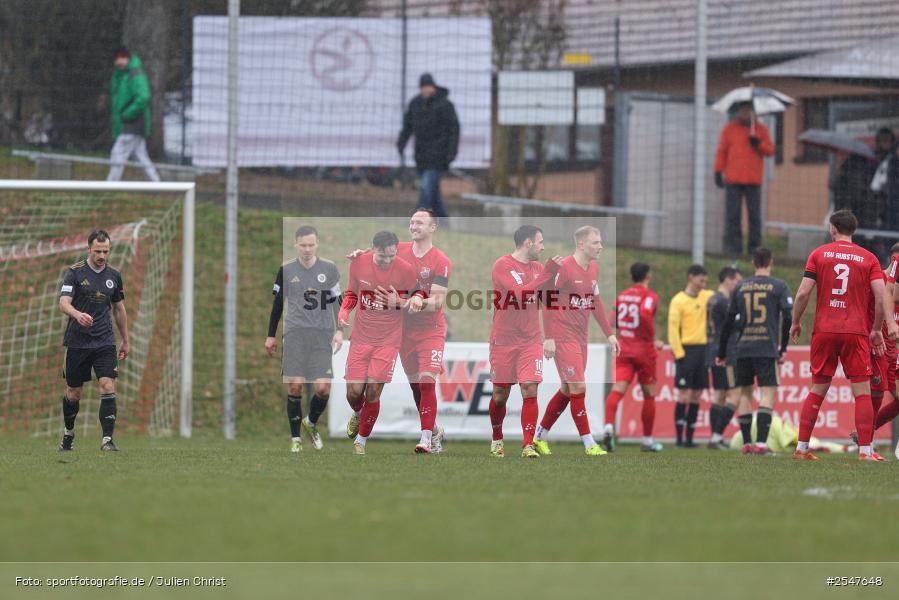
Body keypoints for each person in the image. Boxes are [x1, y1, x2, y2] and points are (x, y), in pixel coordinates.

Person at [790, 210, 897, 462]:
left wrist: (796, 321)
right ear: (854, 231)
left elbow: (804, 293)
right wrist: (876, 329)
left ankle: (802, 447)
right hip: (855, 332)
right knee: (862, 392)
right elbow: (882, 296)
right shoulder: (868, 258)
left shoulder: (818, 254)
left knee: (817, 389)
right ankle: (865, 451)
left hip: (824, 330)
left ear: (833, 229)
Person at [346, 209, 451, 454]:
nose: (413, 226)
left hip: (430, 330)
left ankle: (425, 439)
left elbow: (436, 301)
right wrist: (359, 254)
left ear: (433, 227)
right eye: (412, 222)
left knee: (426, 382)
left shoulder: (441, 261)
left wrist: (407, 303)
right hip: (401, 331)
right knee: (416, 387)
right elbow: (374, 256)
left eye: (419, 222)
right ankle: (435, 430)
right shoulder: (398, 249)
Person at [533, 226, 620, 457]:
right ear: (581, 244)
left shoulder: (593, 268)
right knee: (579, 387)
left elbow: (597, 302)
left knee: (567, 388)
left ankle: (539, 436)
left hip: (581, 337)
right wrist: (549, 337)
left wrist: (609, 333)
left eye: (600, 242)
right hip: (563, 336)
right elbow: (547, 298)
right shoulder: (565, 269)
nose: (600, 246)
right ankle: (590, 443)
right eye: (595, 242)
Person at [338, 231, 426, 455]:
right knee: (354, 393)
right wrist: (344, 312)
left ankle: (361, 441)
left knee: (374, 390)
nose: (387, 261)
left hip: (388, 340)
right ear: (372, 249)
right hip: (361, 338)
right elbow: (351, 294)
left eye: (391, 256)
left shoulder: (405, 269)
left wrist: (413, 299)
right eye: (382, 257)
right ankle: (358, 414)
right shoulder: (359, 263)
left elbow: (420, 292)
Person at [265, 226, 343, 453]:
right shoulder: (286, 269)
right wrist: (271, 334)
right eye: (303, 245)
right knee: (296, 386)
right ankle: (296, 438)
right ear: (295, 244)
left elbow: (337, 302)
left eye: (311, 244)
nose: (307, 249)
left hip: (321, 336)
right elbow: (278, 304)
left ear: (317, 244)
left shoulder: (328, 269)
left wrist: (340, 330)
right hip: (295, 334)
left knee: (323, 390)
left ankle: (310, 422)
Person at [488, 225, 562, 458]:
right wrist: (546, 275)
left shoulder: (539, 268)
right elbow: (519, 294)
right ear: (528, 243)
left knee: (530, 387)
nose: (543, 246)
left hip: (530, 339)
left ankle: (527, 444)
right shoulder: (503, 265)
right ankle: (497, 438)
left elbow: (548, 302)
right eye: (540, 242)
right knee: (500, 395)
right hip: (504, 339)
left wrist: (549, 336)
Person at [57, 230, 130, 452]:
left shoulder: (114, 276)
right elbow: (63, 302)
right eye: (97, 251)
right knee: (73, 392)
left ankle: (107, 440)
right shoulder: (74, 273)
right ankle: (69, 434)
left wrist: (125, 340)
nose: (101, 255)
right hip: (78, 341)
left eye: (105, 251)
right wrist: (77, 314)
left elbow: (119, 309)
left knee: (107, 384)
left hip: (104, 341)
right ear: (89, 249)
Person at [716, 248, 793, 456]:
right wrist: (783, 347)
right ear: (771, 262)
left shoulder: (740, 287)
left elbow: (728, 322)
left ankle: (747, 444)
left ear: (753, 263)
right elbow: (788, 316)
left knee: (744, 394)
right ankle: (761, 444)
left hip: (743, 348)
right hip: (766, 348)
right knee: (767, 393)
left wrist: (722, 352)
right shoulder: (779, 286)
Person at [601, 262, 664, 453]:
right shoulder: (650, 297)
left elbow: (611, 321)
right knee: (649, 394)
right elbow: (645, 315)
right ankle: (646, 441)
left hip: (624, 349)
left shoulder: (622, 296)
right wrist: (653, 339)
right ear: (648, 276)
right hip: (644, 351)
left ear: (631, 277)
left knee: (617, 390)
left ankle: (608, 427)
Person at [714, 101, 774, 256]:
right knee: (732, 215)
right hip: (733, 179)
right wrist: (718, 171)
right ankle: (733, 249)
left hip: (753, 180)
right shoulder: (730, 129)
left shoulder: (760, 130)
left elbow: (770, 150)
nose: (745, 113)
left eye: (748, 110)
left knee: (754, 217)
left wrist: (758, 144)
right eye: (743, 110)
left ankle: (754, 250)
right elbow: (722, 151)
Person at [397, 73, 460, 222]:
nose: (425, 90)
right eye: (422, 87)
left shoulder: (445, 105)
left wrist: (451, 153)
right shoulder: (415, 104)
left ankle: (417, 222)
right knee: (434, 194)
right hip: (422, 157)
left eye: (427, 86)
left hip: (439, 157)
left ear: (433, 86)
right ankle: (445, 222)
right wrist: (401, 142)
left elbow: (453, 131)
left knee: (425, 189)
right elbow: (408, 127)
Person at [668, 264, 714, 447]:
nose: (703, 283)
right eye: (700, 279)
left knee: (696, 395)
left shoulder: (706, 296)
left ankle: (690, 439)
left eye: (705, 280)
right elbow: (673, 330)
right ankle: (679, 438)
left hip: (703, 351)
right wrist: (680, 354)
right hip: (686, 351)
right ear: (690, 278)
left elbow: (722, 295)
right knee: (684, 395)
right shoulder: (678, 301)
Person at [107, 46, 159, 182]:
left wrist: (128, 114)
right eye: (117, 58)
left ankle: (110, 186)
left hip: (133, 122)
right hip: (131, 122)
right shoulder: (121, 75)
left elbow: (143, 97)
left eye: (122, 57)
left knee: (118, 154)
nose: (119, 61)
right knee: (141, 156)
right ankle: (157, 184)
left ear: (128, 58)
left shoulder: (135, 74)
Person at [706, 266, 742, 450]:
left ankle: (715, 438)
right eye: (737, 280)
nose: (738, 284)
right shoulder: (724, 302)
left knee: (719, 395)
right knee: (735, 395)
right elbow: (735, 324)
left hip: (713, 350)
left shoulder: (712, 299)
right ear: (728, 279)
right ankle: (717, 435)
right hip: (727, 352)